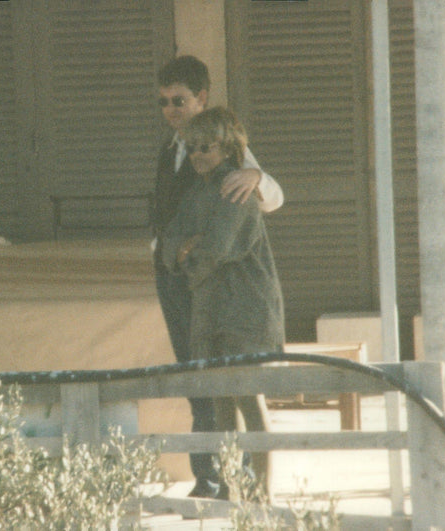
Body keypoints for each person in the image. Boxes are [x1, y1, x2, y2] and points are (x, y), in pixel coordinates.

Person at [152, 55, 283, 499]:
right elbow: (170, 233)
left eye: (180, 100)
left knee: (245, 395)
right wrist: (176, 255)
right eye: (165, 101)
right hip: (195, 292)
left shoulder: (234, 168)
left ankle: (251, 484)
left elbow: (223, 241)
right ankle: (218, 479)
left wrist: (257, 173)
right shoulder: (175, 154)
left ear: (201, 98)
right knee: (205, 384)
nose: (172, 108)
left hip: (237, 299)